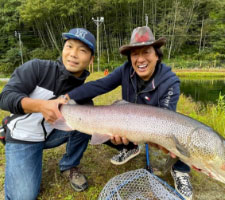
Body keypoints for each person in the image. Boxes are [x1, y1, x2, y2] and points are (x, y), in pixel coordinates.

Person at [64, 26, 193, 200]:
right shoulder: (126, 70)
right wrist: (68, 97)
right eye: (134, 54)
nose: (140, 59)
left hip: (155, 128)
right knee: (101, 127)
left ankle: (181, 171)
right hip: (129, 124)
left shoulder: (170, 82)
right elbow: (100, 85)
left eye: (146, 52)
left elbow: (166, 121)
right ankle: (130, 148)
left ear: (157, 54)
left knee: (177, 134)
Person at [0, 27, 95, 200]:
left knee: (86, 120)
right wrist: (41, 106)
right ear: (63, 49)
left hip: (52, 133)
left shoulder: (84, 93)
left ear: (91, 59)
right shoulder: (37, 68)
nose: (73, 54)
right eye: (69, 46)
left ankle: (69, 165)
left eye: (82, 50)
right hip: (23, 136)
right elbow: (5, 97)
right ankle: (7, 130)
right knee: (24, 196)